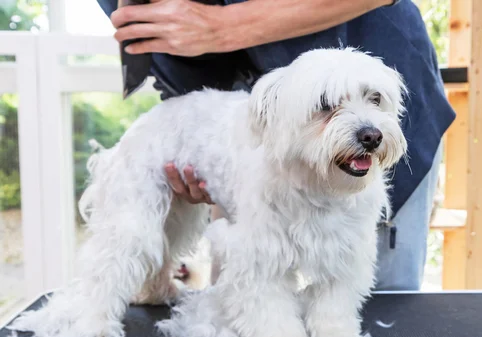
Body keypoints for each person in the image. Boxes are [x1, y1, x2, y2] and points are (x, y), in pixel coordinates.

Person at [97, 0, 455, 291]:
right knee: (250, 301)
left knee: (378, 310)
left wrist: (223, 26)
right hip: (252, 140)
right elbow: (163, 52)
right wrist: (196, 145)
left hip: (379, 50)